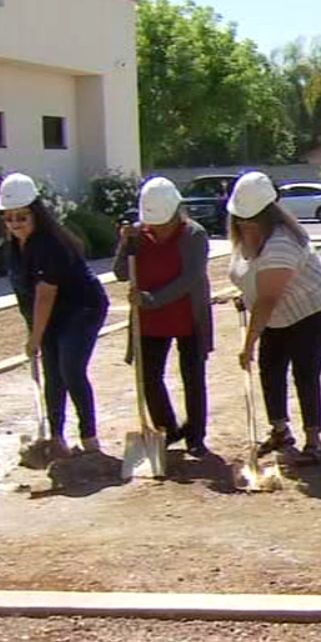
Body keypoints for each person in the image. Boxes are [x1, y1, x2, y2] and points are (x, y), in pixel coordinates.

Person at [226, 171, 321, 465]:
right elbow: (253, 280)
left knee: (305, 369)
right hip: (277, 311)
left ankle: (314, 440)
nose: (243, 224)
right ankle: (280, 430)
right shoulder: (245, 235)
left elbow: (268, 299)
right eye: (239, 219)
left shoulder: (282, 242)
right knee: (270, 365)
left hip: (312, 307)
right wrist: (246, 296)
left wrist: (248, 343)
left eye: (250, 219)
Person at [0, 172, 109, 458]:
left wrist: (36, 337)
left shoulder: (50, 244)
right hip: (50, 313)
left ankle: (90, 438)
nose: (15, 224)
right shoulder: (13, 248)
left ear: (36, 214)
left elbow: (46, 294)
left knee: (70, 368)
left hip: (82, 307)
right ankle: (56, 438)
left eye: (21, 217)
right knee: (51, 374)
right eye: (9, 218)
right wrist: (33, 332)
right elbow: (26, 296)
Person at [112, 177, 213, 458]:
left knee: (193, 376)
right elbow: (120, 272)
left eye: (164, 222)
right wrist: (124, 244)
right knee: (149, 376)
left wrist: (151, 298)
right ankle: (167, 428)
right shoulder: (137, 235)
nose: (157, 228)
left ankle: (195, 435)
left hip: (187, 315)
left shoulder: (194, 235)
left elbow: (190, 278)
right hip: (150, 320)